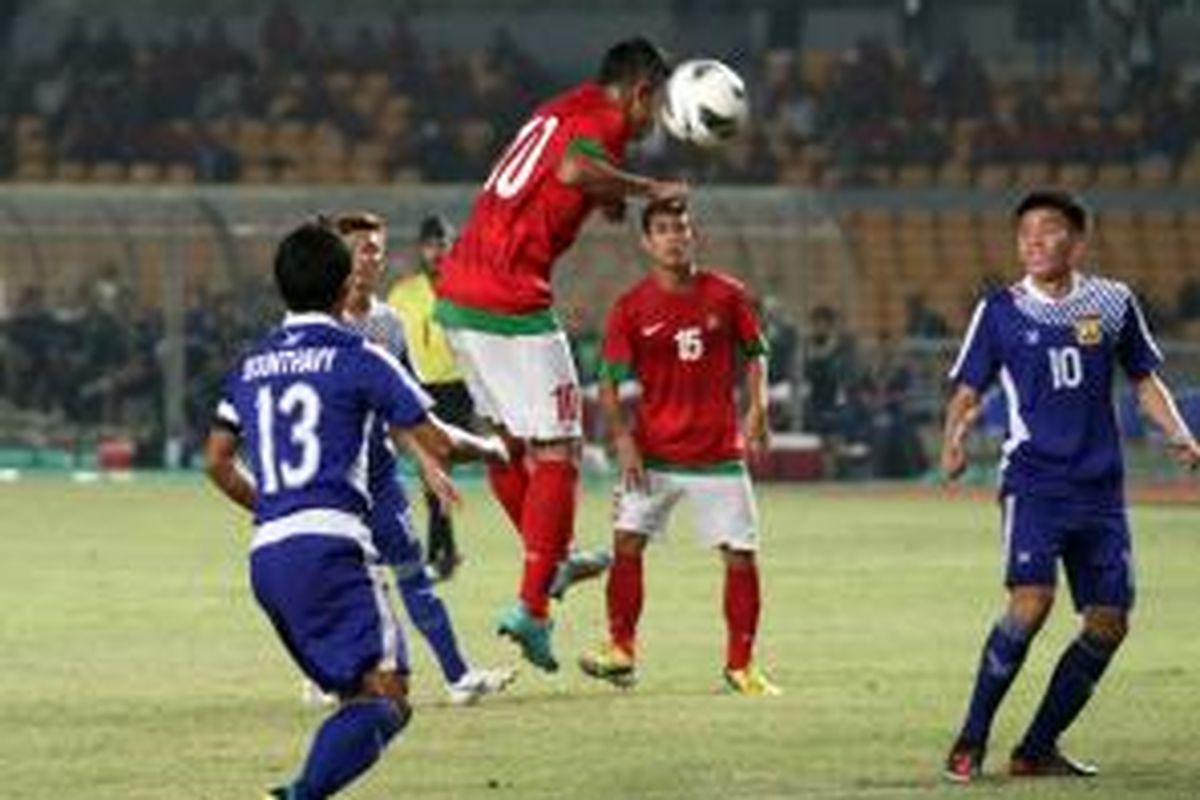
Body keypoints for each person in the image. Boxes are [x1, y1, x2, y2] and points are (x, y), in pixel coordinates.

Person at [204, 223, 505, 799]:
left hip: (267, 555)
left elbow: (217, 461)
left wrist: (274, 509)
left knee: (356, 692)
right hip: (334, 546)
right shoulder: (359, 355)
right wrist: (495, 448)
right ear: (345, 286)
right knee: (387, 696)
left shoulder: (250, 364)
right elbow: (439, 441)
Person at [433, 37, 687, 672]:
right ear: (640, 91)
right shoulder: (603, 122)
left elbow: (568, 179)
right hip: (510, 297)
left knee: (507, 444)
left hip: (459, 291)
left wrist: (612, 194)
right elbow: (576, 171)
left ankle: (554, 558)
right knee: (561, 449)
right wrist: (645, 185)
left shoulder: (564, 107)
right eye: (653, 106)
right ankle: (532, 608)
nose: (652, 120)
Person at [940, 190, 1200, 783]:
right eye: (1025, 231)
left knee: (1110, 621)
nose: (1033, 240)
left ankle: (1035, 749)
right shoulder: (1000, 310)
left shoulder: (1112, 303)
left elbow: (1144, 379)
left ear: (1077, 241)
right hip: (1034, 482)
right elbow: (966, 390)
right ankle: (970, 740)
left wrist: (1181, 434)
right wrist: (952, 439)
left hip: (1101, 490)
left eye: (1048, 230)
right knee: (1031, 603)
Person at [577, 198, 779, 695]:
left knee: (740, 555)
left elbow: (756, 353)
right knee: (627, 544)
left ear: (693, 235)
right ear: (647, 242)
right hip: (654, 453)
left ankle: (741, 665)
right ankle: (621, 651)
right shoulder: (631, 306)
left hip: (717, 453)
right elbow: (607, 381)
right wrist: (623, 440)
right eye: (663, 229)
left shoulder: (727, 295)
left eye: (682, 228)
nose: (674, 237)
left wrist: (758, 407)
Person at [331, 210, 515, 705]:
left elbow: (401, 406)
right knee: (345, 586)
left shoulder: (389, 323)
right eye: (358, 248)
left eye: (374, 248)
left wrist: (428, 464)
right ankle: (329, 676)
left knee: (413, 574)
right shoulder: (321, 324)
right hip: (331, 482)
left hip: (381, 475)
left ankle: (458, 677)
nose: (368, 257)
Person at [387, 214, 473, 582]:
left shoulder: (468, 289)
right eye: (431, 244)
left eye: (443, 244)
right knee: (434, 470)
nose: (438, 251)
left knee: (436, 469)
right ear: (420, 249)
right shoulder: (403, 294)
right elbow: (391, 341)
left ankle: (442, 553)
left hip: (459, 388)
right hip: (420, 390)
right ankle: (444, 552)